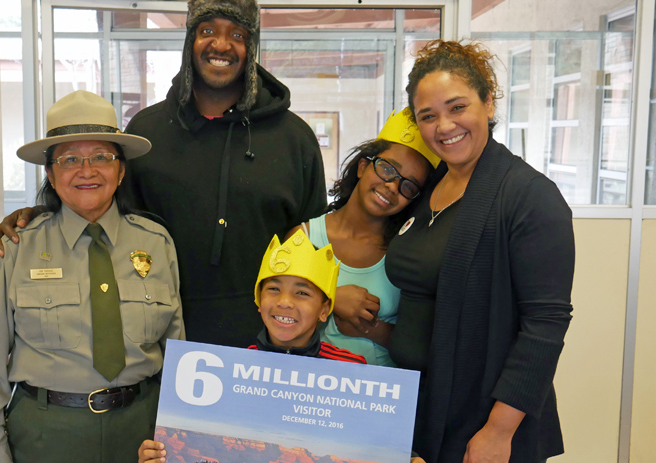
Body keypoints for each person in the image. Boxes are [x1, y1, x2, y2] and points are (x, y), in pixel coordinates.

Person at [0, 0, 326, 349]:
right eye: (207, 31)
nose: (221, 45)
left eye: (237, 35)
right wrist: (42, 214)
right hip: (154, 339)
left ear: (251, 46)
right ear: (189, 39)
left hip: (267, 341)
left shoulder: (293, 139)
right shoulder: (148, 132)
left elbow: (314, 240)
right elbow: (102, 206)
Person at [0, 90, 184, 463]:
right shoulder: (16, 247)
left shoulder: (157, 244)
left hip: (140, 436)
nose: (87, 170)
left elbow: (177, 359)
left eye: (102, 157)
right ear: (50, 172)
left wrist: (174, 441)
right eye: (69, 159)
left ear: (121, 169)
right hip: (46, 437)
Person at [385, 40, 575, 463]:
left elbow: (545, 325)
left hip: (484, 421)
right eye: (428, 116)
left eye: (457, 107)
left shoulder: (528, 196)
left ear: (489, 103)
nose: (444, 126)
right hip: (422, 411)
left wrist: (498, 430)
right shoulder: (430, 188)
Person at [138, 229, 365, 463]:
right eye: (274, 289)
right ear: (258, 300)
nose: (285, 302)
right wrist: (158, 457)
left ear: (325, 309)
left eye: (302, 292)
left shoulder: (352, 370)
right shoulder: (227, 374)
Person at [289, 108, 438, 366]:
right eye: (388, 169)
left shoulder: (408, 252)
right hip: (309, 393)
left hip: (381, 395)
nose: (392, 186)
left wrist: (368, 327)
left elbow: (423, 344)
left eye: (408, 186)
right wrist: (331, 298)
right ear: (362, 167)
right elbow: (275, 310)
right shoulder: (305, 237)